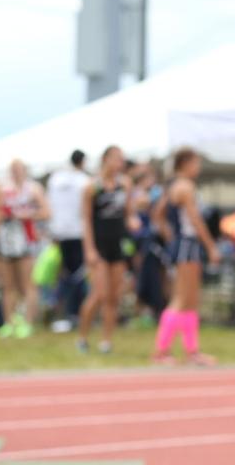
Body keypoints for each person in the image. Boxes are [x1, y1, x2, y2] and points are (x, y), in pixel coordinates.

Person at [151, 148, 220, 365]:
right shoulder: (185, 187)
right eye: (196, 163)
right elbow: (195, 220)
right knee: (182, 299)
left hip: (183, 243)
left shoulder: (172, 186)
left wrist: (169, 234)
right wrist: (210, 246)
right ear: (185, 163)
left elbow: (157, 214)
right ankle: (162, 351)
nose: (198, 168)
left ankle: (192, 351)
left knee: (191, 300)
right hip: (187, 244)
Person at [78, 146, 136, 354]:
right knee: (99, 294)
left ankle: (106, 340)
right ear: (105, 159)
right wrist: (90, 249)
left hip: (117, 243)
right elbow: (85, 220)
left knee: (113, 296)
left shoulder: (124, 185)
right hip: (99, 244)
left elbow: (129, 212)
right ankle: (83, 336)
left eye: (121, 159)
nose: (119, 163)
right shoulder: (92, 187)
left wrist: (133, 220)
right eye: (115, 159)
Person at [0, 159, 49, 337]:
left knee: (28, 283)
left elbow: (47, 212)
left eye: (19, 169)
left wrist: (29, 215)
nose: (16, 172)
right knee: (8, 284)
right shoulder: (4, 189)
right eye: (13, 169)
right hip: (7, 241)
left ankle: (27, 322)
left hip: (26, 240)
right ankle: (9, 322)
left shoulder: (33, 189)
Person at [45, 150, 89, 331]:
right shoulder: (84, 181)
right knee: (77, 274)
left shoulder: (55, 179)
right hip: (78, 232)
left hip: (60, 232)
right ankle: (73, 313)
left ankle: (64, 311)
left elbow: (51, 204)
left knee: (66, 273)